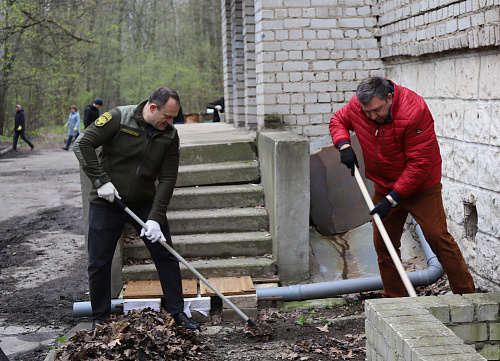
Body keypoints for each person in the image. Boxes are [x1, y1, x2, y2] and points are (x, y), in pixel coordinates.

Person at [329, 76, 475, 298]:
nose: (372, 116)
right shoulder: (360, 107)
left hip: (421, 187)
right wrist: (343, 144)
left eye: (377, 110)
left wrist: (392, 199)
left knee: (437, 237)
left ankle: (467, 297)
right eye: (367, 112)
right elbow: (338, 120)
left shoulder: (413, 111)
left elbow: (420, 165)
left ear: (389, 97)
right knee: (384, 243)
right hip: (384, 184)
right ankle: (394, 300)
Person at [73, 87, 199, 330]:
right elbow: (83, 144)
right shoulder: (119, 118)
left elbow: (168, 179)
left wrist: (155, 217)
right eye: (167, 116)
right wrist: (101, 181)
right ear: (152, 108)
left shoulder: (170, 136)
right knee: (99, 262)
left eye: (174, 117)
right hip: (108, 201)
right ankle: (100, 318)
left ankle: (177, 311)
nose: (171, 122)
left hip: (144, 202)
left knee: (166, 255)